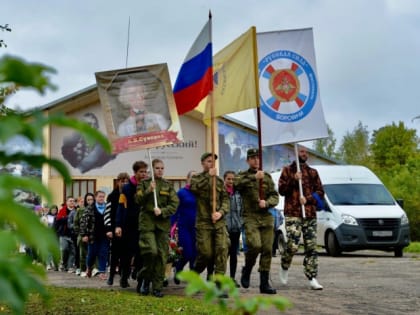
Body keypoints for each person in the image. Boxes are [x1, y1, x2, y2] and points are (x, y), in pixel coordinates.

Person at [278, 145, 325, 290]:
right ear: (295, 153)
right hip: (293, 213)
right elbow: (281, 190)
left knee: (311, 247)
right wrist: (293, 179)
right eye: (301, 152)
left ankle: (312, 277)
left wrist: (309, 199)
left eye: (306, 152)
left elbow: (321, 192)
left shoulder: (313, 172)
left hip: (309, 214)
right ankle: (285, 266)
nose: (304, 154)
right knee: (292, 244)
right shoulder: (287, 170)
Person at [234, 148, 279, 294]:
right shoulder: (243, 175)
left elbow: (275, 196)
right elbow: (235, 185)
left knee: (267, 249)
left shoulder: (266, 177)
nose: (256, 160)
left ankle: (264, 283)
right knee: (255, 245)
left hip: (266, 216)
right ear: (247, 160)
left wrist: (267, 203)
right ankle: (247, 269)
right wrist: (254, 178)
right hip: (250, 216)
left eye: (258, 158)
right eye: (252, 158)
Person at [136, 159, 179, 297]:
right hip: (147, 224)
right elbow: (137, 199)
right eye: (157, 168)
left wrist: (163, 211)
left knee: (162, 256)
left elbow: (174, 203)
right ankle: (144, 278)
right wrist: (149, 190)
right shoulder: (144, 184)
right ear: (152, 170)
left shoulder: (168, 185)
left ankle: (157, 287)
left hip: (162, 224)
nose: (160, 170)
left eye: (162, 168)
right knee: (151, 252)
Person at [189, 152, 229, 296]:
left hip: (218, 222)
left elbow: (226, 199)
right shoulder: (197, 178)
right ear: (202, 163)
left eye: (213, 162)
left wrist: (221, 212)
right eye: (208, 161)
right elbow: (194, 189)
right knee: (206, 253)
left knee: (222, 250)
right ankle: (195, 272)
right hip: (204, 223)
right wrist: (208, 176)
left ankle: (218, 285)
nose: (211, 164)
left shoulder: (219, 181)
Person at [115, 161, 148, 289]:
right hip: (129, 224)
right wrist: (118, 225)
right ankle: (124, 275)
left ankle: (138, 273)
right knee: (127, 254)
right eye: (141, 172)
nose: (144, 174)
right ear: (135, 173)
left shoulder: (148, 186)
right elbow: (120, 207)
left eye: (145, 171)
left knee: (141, 252)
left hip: (144, 224)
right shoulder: (127, 188)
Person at [171, 170, 197, 284]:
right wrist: (171, 226)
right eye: (192, 177)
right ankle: (178, 268)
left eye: (197, 177)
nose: (194, 180)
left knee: (195, 254)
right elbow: (175, 211)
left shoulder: (200, 193)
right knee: (187, 252)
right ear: (188, 179)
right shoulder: (181, 193)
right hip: (184, 226)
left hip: (197, 227)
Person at [80, 190, 112, 280]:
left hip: (105, 235)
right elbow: (83, 222)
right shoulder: (90, 208)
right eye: (100, 196)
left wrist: (111, 231)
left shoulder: (108, 208)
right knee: (92, 254)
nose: (102, 198)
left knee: (103, 253)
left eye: (103, 196)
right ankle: (89, 268)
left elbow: (112, 220)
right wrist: (84, 235)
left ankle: (102, 272)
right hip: (92, 236)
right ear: (95, 197)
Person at [106, 172, 130, 286]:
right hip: (115, 229)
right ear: (118, 182)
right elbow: (107, 214)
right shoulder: (112, 196)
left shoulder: (130, 195)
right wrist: (109, 229)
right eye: (122, 181)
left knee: (126, 256)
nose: (124, 183)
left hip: (128, 229)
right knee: (115, 255)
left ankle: (124, 278)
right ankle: (111, 277)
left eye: (126, 181)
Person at [223, 170, 243, 288]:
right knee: (223, 254)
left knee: (233, 254)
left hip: (235, 227)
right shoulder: (221, 192)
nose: (231, 181)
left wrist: (241, 222)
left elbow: (242, 209)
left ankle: (232, 278)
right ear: (224, 179)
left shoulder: (238, 194)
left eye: (233, 179)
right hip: (224, 227)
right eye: (228, 179)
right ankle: (219, 278)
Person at [73, 193, 95, 277]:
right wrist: (80, 233)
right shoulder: (80, 210)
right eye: (88, 200)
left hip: (93, 235)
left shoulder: (95, 210)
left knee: (93, 253)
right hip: (82, 234)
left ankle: (92, 269)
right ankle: (82, 269)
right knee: (83, 253)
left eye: (91, 199)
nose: (90, 201)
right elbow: (76, 223)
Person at [55, 197, 77, 272]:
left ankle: (70, 266)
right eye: (70, 201)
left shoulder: (77, 210)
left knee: (72, 251)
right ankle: (63, 263)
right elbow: (58, 221)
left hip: (73, 234)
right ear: (67, 202)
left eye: (73, 201)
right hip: (64, 234)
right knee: (64, 249)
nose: (72, 202)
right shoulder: (62, 210)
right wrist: (67, 218)